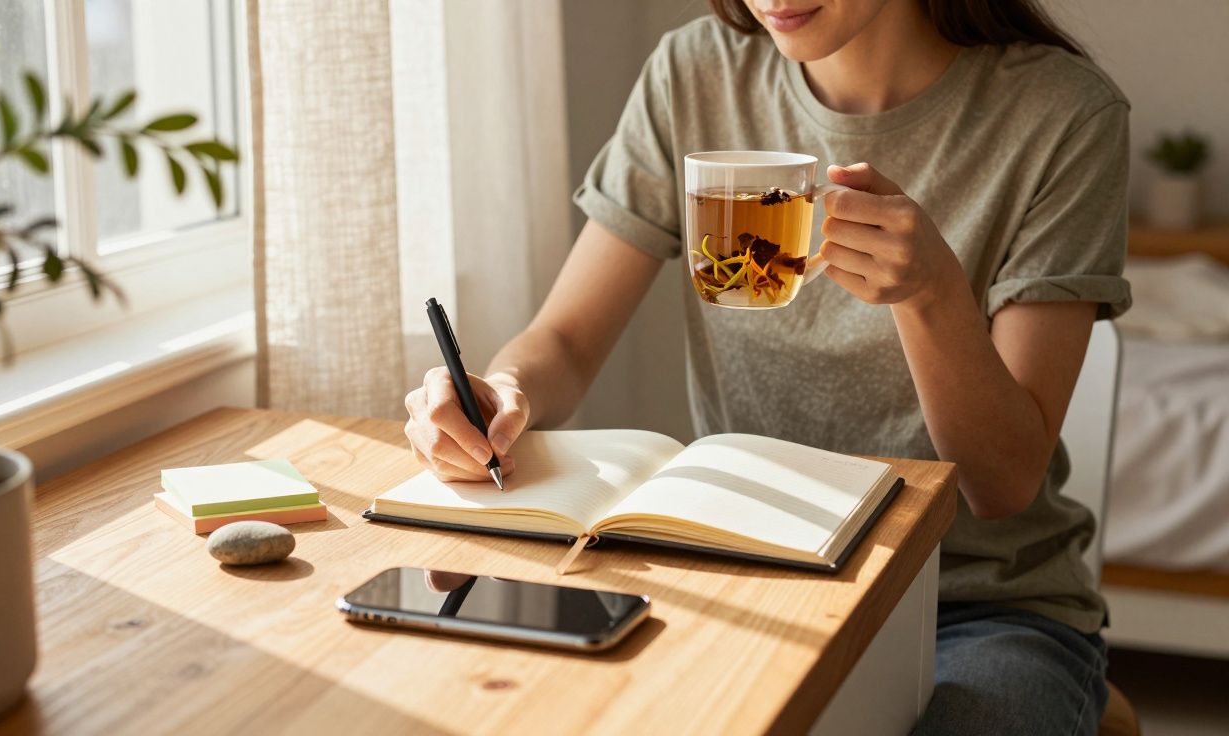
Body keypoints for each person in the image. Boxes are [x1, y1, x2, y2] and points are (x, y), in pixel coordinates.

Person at [403, 1, 1129, 732]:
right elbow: (563, 339)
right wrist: (498, 393)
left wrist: (931, 295)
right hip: (744, 576)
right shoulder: (697, 70)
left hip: (974, 607)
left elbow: (1002, 483)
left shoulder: (1063, 113)